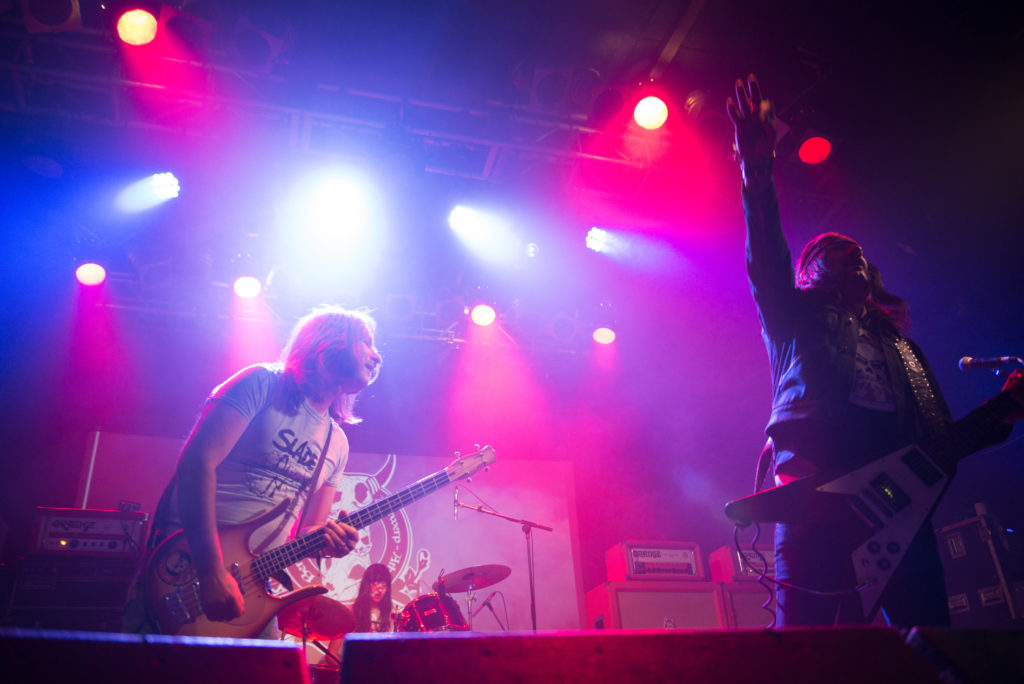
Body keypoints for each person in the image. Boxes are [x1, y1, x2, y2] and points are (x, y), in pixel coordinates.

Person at [726, 74, 1024, 627]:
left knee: (931, 646)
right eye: (835, 252)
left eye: (859, 253)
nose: (852, 258)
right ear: (807, 272)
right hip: (817, 492)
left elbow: (940, 444)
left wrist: (1005, 407)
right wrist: (756, 168)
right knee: (808, 654)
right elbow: (765, 246)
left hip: (894, 501)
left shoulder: (902, 349)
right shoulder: (793, 318)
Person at [126, 305, 381, 633]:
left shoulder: (338, 442)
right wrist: (210, 570)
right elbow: (196, 464)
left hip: (251, 589)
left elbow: (308, 530)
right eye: (367, 342)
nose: (376, 356)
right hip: (186, 571)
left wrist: (329, 539)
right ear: (330, 344)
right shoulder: (262, 383)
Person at [351, 563, 394, 633]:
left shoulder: (390, 615)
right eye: (376, 584)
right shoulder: (353, 610)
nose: (380, 590)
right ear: (366, 585)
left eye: (384, 585)